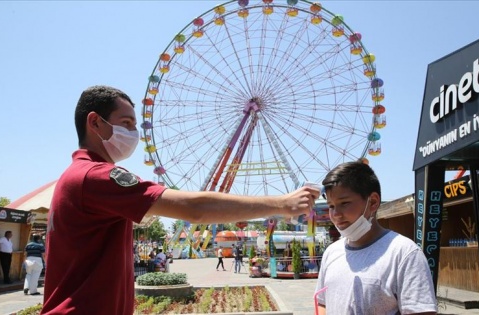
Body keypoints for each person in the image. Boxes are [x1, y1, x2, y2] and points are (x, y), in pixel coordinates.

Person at [41, 85, 319, 315]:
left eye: (135, 125)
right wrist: (282, 204)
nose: (133, 134)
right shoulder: (96, 176)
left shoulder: (76, 176)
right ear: (94, 122)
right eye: (126, 123)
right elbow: (195, 209)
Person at [315, 161, 437, 315]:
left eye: (344, 203)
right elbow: (323, 304)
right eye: (331, 206)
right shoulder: (331, 253)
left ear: (372, 202)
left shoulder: (404, 254)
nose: (336, 214)